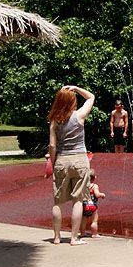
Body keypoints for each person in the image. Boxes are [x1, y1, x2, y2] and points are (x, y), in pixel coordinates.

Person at [47, 85, 95, 245]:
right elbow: (91, 97)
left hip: (62, 159)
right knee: (78, 200)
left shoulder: (54, 121)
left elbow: (52, 146)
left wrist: (53, 163)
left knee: (58, 201)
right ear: (72, 101)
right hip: (80, 160)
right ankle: (74, 238)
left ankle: (57, 237)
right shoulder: (79, 115)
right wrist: (76, 88)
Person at [80, 169, 106, 238]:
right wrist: (102, 195)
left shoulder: (84, 186)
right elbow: (97, 194)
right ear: (94, 178)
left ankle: (82, 233)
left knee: (83, 220)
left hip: (85, 205)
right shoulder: (94, 186)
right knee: (94, 220)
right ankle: (94, 234)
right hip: (93, 206)